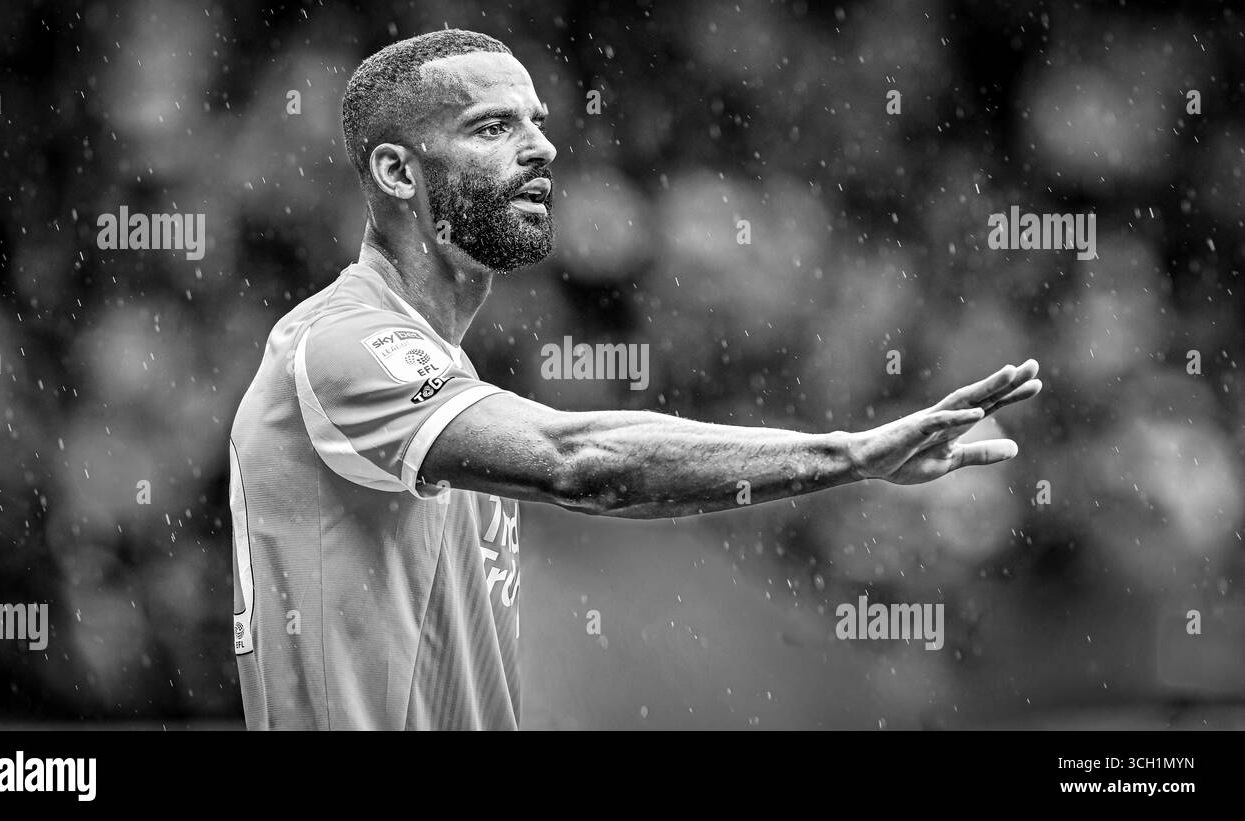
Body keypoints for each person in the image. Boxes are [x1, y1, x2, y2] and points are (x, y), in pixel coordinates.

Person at [228, 29, 1042, 730]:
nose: (542, 147)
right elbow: (581, 462)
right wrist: (847, 456)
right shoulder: (342, 342)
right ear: (398, 172)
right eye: (492, 126)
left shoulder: (438, 370)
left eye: (538, 122)